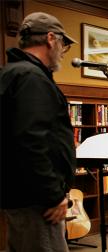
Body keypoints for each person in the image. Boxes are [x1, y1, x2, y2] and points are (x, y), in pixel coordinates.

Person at [0, 12, 77, 252]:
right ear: (51, 38)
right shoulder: (31, 78)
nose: (63, 52)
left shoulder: (12, 73)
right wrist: (54, 195)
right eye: (64, 44)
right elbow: (31, 141)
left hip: (23, 194)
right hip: (37, 201)